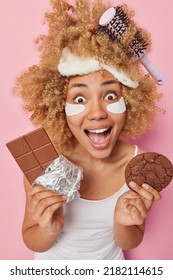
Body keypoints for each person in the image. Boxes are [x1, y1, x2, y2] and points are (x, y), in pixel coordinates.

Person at [13, 0, 163, 260]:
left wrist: (124, 221)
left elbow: (131, 239)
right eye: (80, 99)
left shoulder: (138, 164)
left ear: (129, 102)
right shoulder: (45, 161)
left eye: (110, 96)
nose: (96, 113)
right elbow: (31, 238)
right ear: (60, 105)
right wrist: (49, 229)